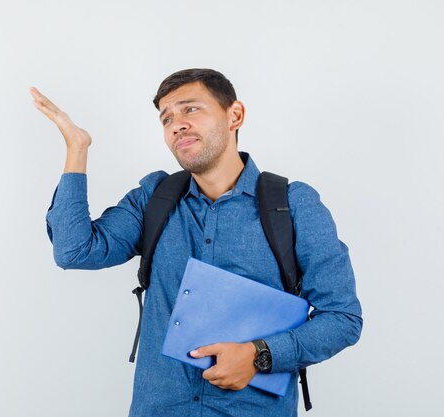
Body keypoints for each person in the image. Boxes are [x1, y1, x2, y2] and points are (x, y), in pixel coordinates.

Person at [31, 68, 362, 417]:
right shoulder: (154, 198)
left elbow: (342, 317)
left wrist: (259, 354)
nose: (177, 124)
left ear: (235, 115)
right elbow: (74, 250)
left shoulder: (293, 204)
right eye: (167, 118)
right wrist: (77, 148)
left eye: (191, 109)